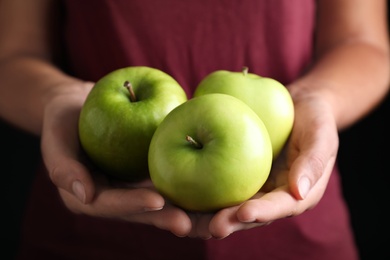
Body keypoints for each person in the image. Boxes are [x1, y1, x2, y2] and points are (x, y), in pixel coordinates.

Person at [0, 0, 389, 259]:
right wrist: (59, 99)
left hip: (294, 233)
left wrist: (317, 98)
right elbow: (12, 56)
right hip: (86, 230)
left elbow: (365, 44)